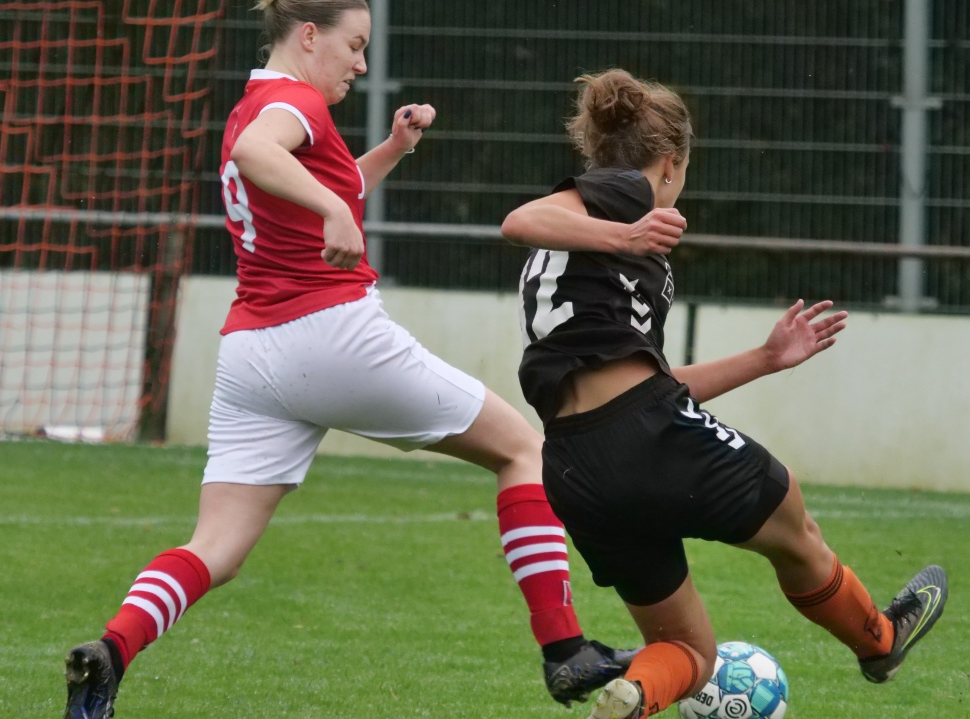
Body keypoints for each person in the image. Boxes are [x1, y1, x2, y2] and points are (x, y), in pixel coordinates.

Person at [61, 3, 636, 717]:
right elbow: (262, 159)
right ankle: (565, 649)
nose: (361, 65)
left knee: (216, 547)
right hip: (330, 335)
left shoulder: (251, 105)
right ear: (309, 36)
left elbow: (307, 180)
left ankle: (109, 654)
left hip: (252, 354)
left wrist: (391, 148)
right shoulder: (290, 101)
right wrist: (336, 215)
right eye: (354, 46)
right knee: (523, 449)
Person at [501, 68, 949, 719]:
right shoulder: (624, 192)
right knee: (793, 517)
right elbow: (518, 219)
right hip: (642, 434)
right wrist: (627, 233)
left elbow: (644, 382)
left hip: (575, 463)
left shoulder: (577, 251)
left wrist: (765, 358)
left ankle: (632, 696)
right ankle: (879, 639)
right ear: (672, 162)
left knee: (688, 649)